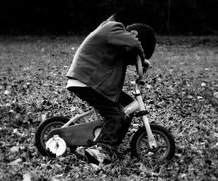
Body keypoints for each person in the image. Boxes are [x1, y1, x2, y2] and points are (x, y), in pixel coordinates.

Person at [66, 14, 156, 164]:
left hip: (94, 82)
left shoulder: (117, 42)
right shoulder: (112, 28)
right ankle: (100, 149)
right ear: (133, 34)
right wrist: (143, 56)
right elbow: (134, 43)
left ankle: (112, 144)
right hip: (87, 80)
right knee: (115, 115)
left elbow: (128, 53)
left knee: (128, 104)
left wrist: (139, 63)